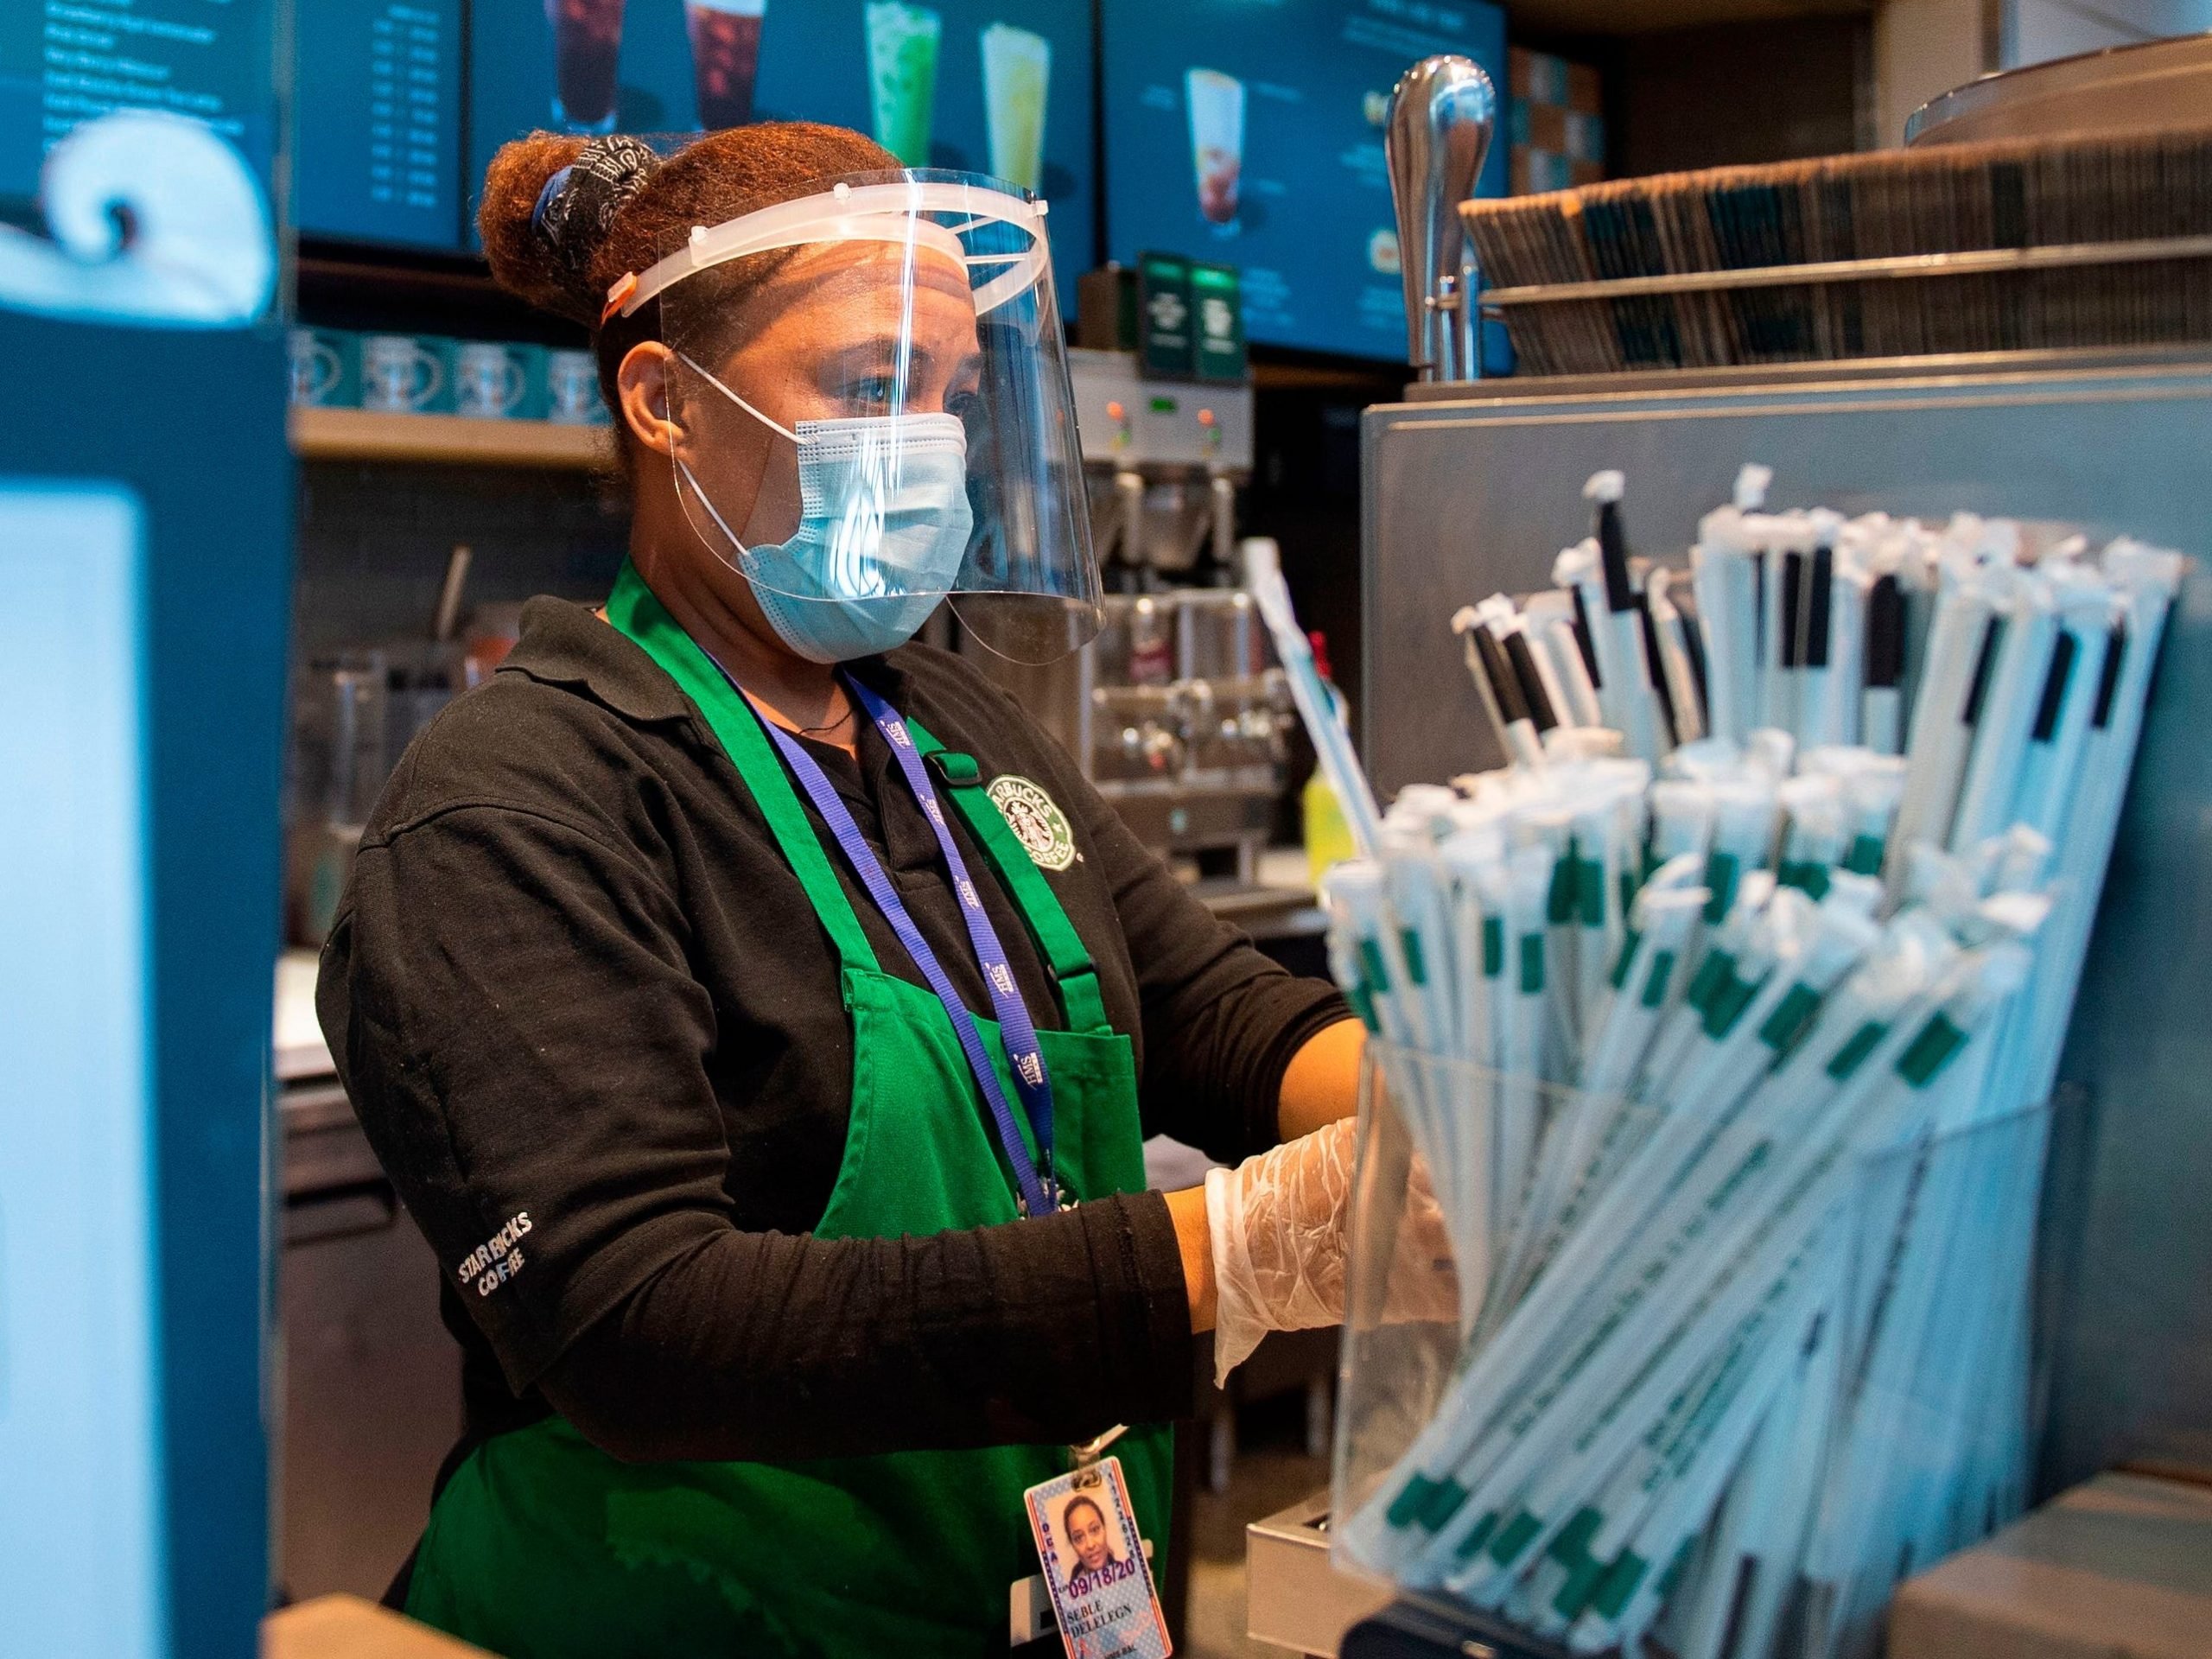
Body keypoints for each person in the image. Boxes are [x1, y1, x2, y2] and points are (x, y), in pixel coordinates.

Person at [319, 121, 1374, 1659]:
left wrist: (1444, 1132)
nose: (926, 441)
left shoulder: (946, 723)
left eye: (948, 395)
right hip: (683, 1619)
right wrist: (1244, 1251)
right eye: (869, 387)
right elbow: (647, 1326)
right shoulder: (513, 806)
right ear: (668, 404)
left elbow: (1216, 1014)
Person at [1063, 1494, 1120, 1590]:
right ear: (1072, 1545)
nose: (1090, 1545)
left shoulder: (1129, 1575)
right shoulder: (1070, 1597)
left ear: (1104, 1529)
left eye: (1094, 1529)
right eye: (1079, 1538)